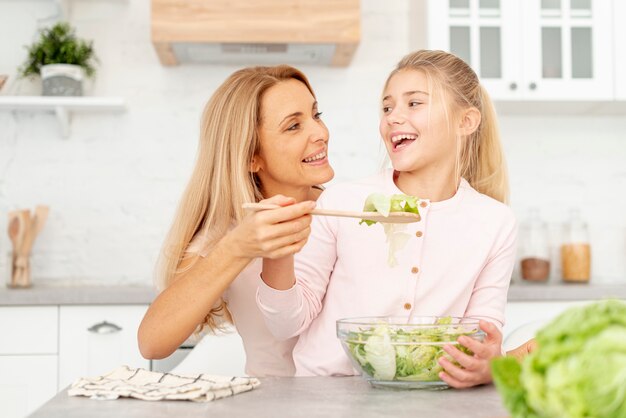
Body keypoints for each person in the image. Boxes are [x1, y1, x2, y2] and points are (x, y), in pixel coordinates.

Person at [256, 49, 518, 388]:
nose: (393, 117)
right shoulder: (344, 202)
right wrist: (277, 251)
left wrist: (487, 364)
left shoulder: (494, 222)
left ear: (465, 121)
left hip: (428, 401)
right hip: (323, 396)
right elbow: (285, 325)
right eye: (387, 107)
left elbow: (481, 333)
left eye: (414, 103)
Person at [137, 65, 334, 377]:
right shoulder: (227, 237)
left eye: (316, 114)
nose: (320, 133)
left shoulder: (348, 213)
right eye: (294, 126)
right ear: (250, 157)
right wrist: (236, 248)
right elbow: (152, 343)